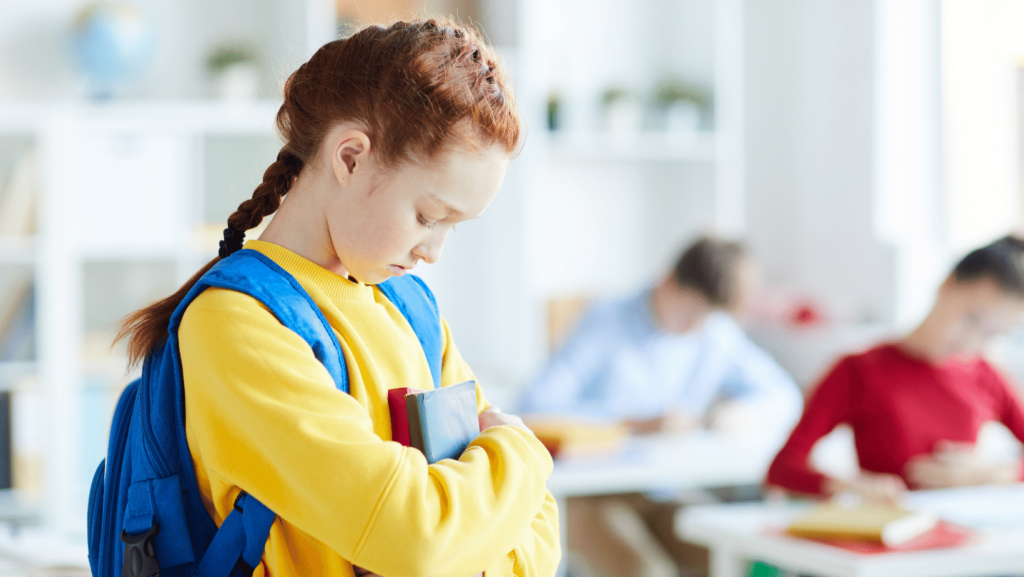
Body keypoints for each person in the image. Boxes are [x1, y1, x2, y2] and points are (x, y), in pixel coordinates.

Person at [116, 19, 559, 577]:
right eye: (427, 216)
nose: (434, 251)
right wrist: (520, 449)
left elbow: (540, 541)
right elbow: (414, 539)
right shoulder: (235, 325)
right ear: (350, 158)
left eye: (456, 226)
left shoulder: (411, 310)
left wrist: (459, 537)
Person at [518, 236, 802, 577]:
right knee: (645, 571)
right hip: (588, 496)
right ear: (667, 281)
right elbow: (534, 408)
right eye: (688, 314)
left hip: (660, 491)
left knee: (730, 558)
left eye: (703, 318)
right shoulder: (605, 320)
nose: (692, 328)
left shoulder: (714, 331)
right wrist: (632, 424)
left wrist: (742, 413)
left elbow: (783, 395)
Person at [766, 236, 1024, 503]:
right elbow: (783, 468)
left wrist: (992, 474)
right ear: (947, 284)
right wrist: (849, 486)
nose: (972, 341)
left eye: (992, 334)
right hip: (889, 529)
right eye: (971, 319)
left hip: (966, 535)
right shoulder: (858, 371)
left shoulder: (986, 374)